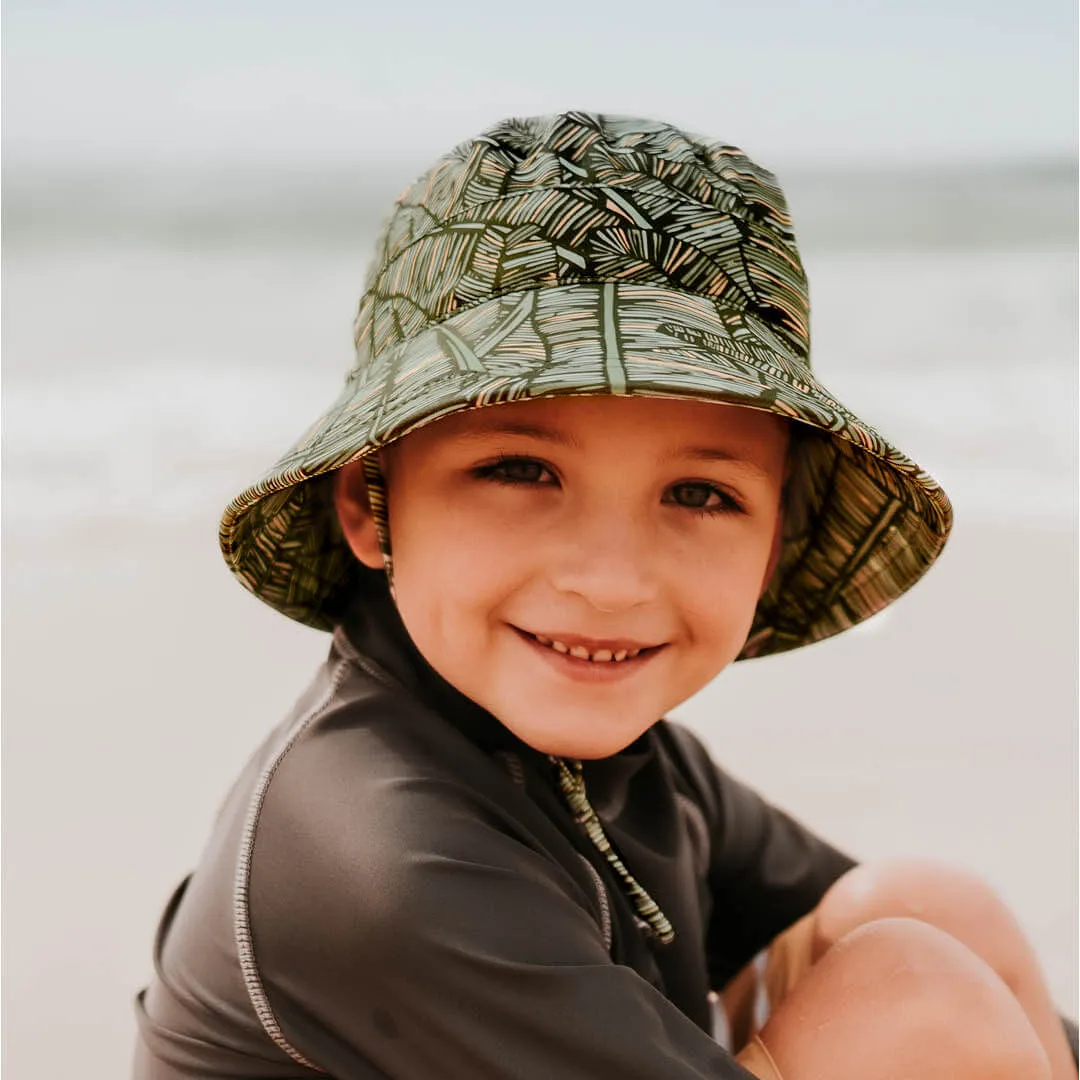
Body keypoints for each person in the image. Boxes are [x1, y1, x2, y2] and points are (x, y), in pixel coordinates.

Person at [133, 112, 1077, 1079]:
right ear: (370, 507)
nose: (611, 581)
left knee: (925, 910)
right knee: (910, 999)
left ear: (773, 541)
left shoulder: (634, 759)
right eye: (519, 471)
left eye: (700, 494)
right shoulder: (383, 862)